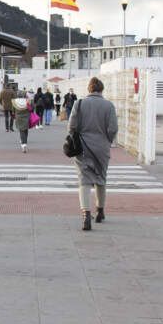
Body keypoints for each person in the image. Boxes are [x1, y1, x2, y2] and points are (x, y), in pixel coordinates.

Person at [68, 77, 118, 232]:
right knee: (100, 178)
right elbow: (113, 128)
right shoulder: (109, 106)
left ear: (89, 89)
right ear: (101, 89)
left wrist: (74, 138)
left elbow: (71, 126)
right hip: (102, 148)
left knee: (84, 180)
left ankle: (85, 214)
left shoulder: (79, 104)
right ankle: (100, 211)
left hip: (83, 147)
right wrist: (106, 141)